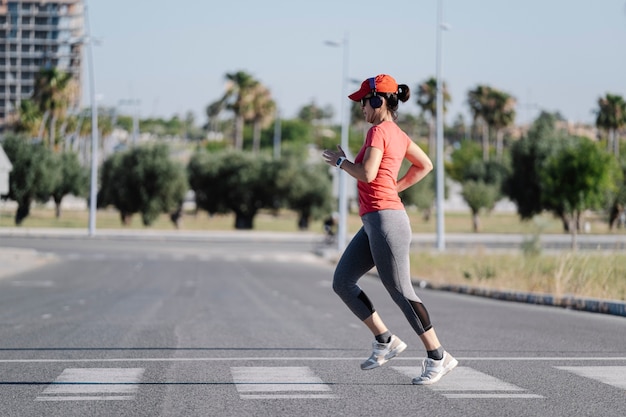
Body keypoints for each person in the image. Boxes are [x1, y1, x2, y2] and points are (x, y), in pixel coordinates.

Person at [322, 74, 457, 385]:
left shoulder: (378, 132)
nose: (360, 109)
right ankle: (385, 339)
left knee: (400, 291)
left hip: (386, 221)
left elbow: (367, 174)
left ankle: (439, 356)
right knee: (342, 281)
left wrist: (342, 162)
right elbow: (424, 165)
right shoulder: (396, 133)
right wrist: (395, 187)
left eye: (362, 103)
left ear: (377, 101)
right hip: (375, 220)